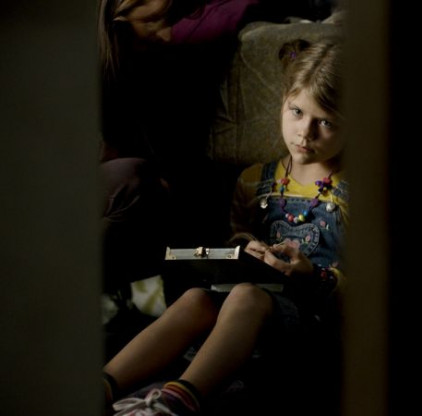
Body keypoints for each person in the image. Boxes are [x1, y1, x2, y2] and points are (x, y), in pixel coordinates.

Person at [103, 39, 346, 416]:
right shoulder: (254, 179)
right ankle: (101, 387)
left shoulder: (358, 191)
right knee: (196, 299)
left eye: (325, 122)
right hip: (241, 320)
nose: (305, 132)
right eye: (297, 112)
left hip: (311, 326)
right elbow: (237, 238)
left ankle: (175, 402)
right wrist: (244, 249)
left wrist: (315, 276)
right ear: (283, 102)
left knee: (248, 296)